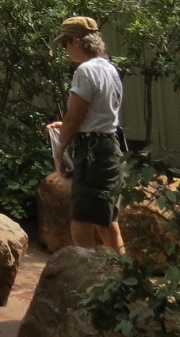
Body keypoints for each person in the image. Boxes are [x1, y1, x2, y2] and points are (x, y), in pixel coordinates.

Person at [46, 15, 126, 250]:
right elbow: (99, 113)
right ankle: (123, 279)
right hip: (109, 147)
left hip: (92, 153)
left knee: (80, 223)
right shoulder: (110, 68)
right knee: (107, 221)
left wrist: (60, 148)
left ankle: (87, 279)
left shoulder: (85, 70)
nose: (64, 50)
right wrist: (70, 126)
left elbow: (74, 115)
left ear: (77, 42)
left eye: (65, 43)